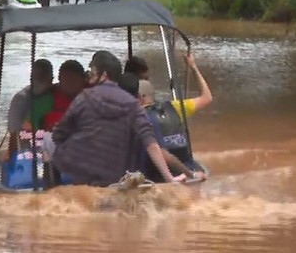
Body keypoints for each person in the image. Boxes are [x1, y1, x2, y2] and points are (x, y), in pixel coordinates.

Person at [42, 50, 185, 186]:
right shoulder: (132, 104)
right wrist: (170, 178)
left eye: (92, 73)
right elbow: (151, 143)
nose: (90, 76)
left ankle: (52, 190)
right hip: (123, 176)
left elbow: (59, 135)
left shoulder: (84, 98)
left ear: (103, 75)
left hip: (89, 178)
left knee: (48, 140)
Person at [136, 53, 214, 181]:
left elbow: (161, 153)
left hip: (160, 176)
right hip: (189, 168)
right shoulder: (176, 107)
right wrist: (193, 66)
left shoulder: (137, 117)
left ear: (139, 98)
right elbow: (207, 97)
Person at [3, 59, 55, 162]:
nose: (39, 81)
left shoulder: (55, 95)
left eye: (43, 78)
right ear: (31, 78)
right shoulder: (21, 99)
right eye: (37, 77)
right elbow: (15, 134)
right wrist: (12, 159)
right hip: (28, 149)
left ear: (51, 80)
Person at [42, 59, 88, 130]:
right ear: (59, 79)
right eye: (65, 80)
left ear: (83, 80)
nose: (69, 84)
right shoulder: (47, 98)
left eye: (73, 80)